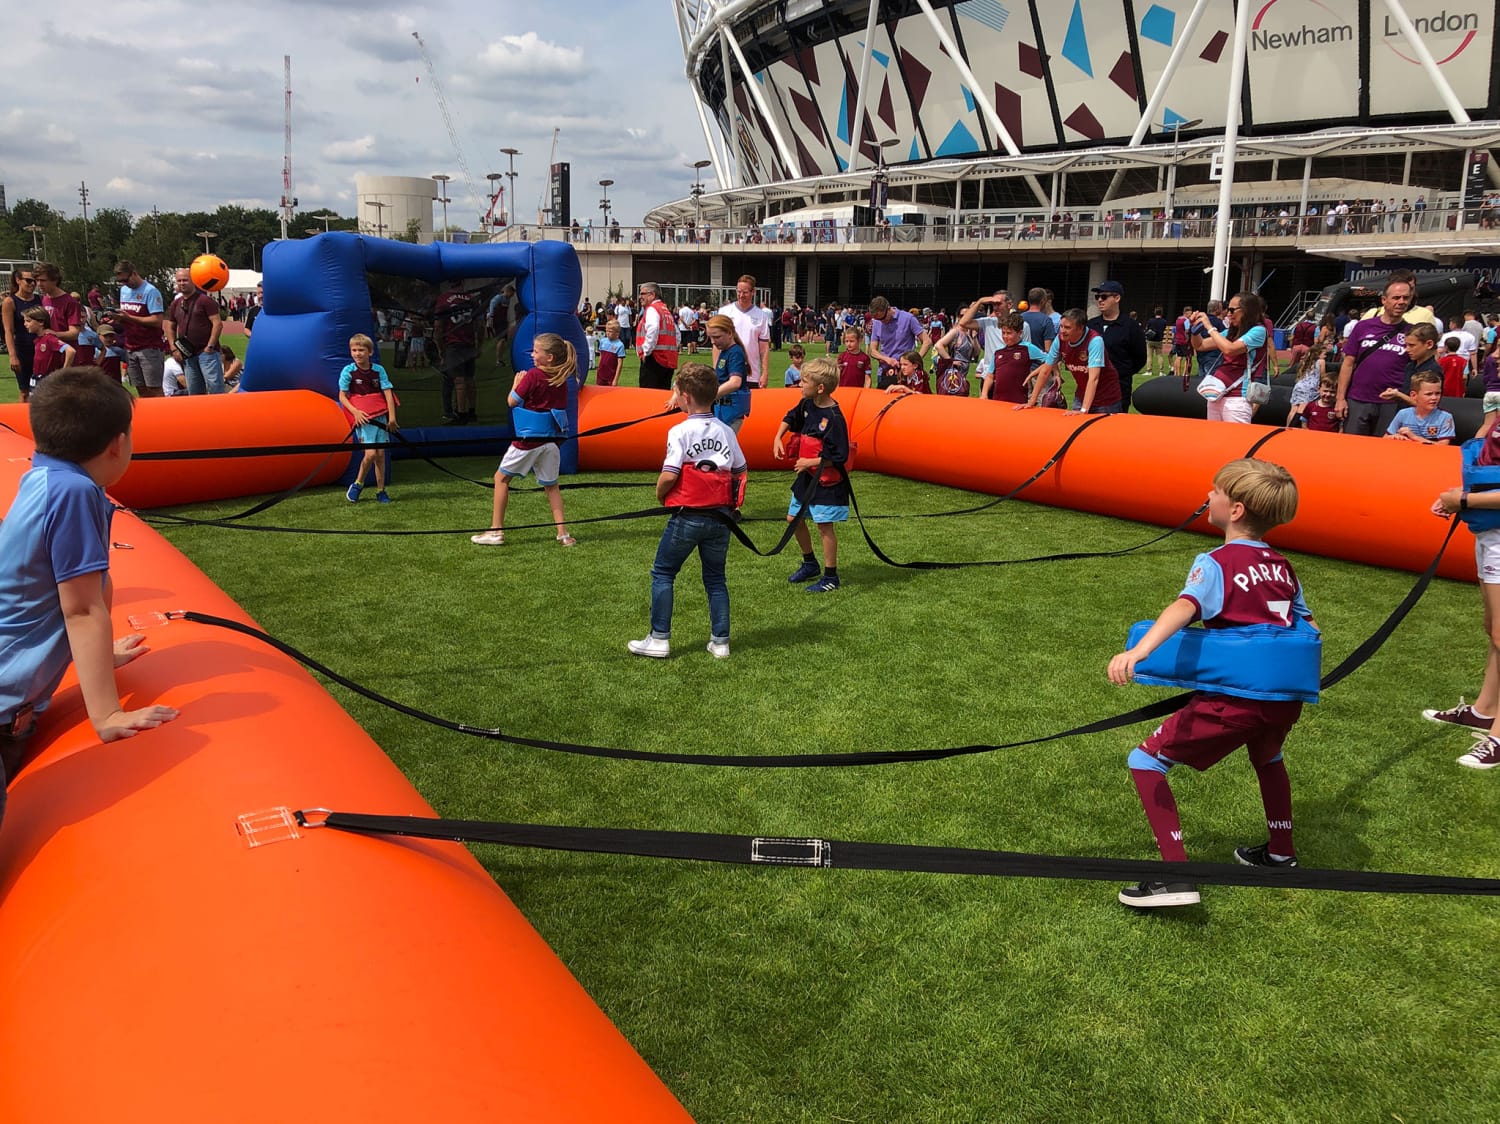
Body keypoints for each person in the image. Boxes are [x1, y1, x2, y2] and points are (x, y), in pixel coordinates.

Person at [1109, 458, 1316, 908]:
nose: (1208, 495)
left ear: (1235, 509)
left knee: (1145, 761)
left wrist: (1139, 651)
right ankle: (1280, 854)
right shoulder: (1283, 566)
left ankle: (1176, 877)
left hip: (1236, 698)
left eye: (1216, 491)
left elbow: (1185, 607)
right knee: (1268, 756)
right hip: (1283, 699)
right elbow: (1308, 625)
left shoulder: (1216, 562)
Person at [0, 367, 180, 832]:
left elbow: (94, 586)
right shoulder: (74, 492)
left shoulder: (47, 474)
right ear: (118, 444)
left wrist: (105, 653)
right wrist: (107, 713)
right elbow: (80, 608)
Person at [627, 363, 747, 660]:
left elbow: (669, 474)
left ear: (686, 397)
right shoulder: (726, 430)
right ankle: (721, 641)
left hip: (687, 515)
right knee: (716, 579)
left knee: (663, 572)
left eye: (677, 392)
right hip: (720, 517)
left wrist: (660, 494)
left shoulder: (679, 431)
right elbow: (740, 468)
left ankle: (659, 638)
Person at [1424, 415, 1500, 768]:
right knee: (1493, 629)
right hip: (1489, 531)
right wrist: (1459, 495)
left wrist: (1465, 500)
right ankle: (1484, 710)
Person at [470, 333, 577, 548]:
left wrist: (515, 384)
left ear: (549, 357)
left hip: (528, 441)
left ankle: (496, 531)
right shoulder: (561, 380)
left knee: (500, 479)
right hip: (551, 442)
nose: (532, 354)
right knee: (552, 486)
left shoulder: (534, 375)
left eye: (536, 351)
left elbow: (511, 401)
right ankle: (563, 534)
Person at [774, 356, 849, 594]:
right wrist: (778, 436)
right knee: (793, 519)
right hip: (807, 479)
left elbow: (840, 455)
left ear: (820, 388)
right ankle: (809, 563)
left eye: (804, 381)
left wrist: (811, 462)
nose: (799, 384)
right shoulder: (807, 404)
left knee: (824, 526)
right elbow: (791, 416)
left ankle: (831, 576)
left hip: (826, 483)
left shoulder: (834, 418)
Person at [1335, 270, 1415, 436]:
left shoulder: (1412, 332)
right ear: (1384, 300)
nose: (1401, 302)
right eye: (1396, 297)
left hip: (1392, 403)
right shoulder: (1363, 327)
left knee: (1385, 449)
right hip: (1358, 399)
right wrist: (1340, 399)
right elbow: (1348, 364)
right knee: (1353, 447)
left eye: (1405, 298)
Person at [1019, 308, 1123, 415]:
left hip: (1106, 399)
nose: (1062, 331)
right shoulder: (1059, 339)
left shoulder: (1095, 341)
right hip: (1082, 394)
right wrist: (1031, 401)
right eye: (1061, 326)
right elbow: (1046, 370)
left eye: (1067, 327)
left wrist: (1083, 410)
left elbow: (1094, 378)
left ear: (1080, 328)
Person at [1191, 292, 1269, 424]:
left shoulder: (1259, 331)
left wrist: (1210, 327)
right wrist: (1195, 330)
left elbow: (1230, 349)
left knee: (1236, 437)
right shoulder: (1231, 332)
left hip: (1238, 397)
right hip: (1217, 394)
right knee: (1213, 435)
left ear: (1247, 311)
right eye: (1228, 310)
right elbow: (1200, 345)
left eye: (1232, 310)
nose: (1228, 314)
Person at [339, 334, 399, 503]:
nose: (357, 353)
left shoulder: (378, 370)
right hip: (364, 418)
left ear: (370, 352)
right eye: (354, 350)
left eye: (361, 350)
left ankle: (381, 491)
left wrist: (392, 417)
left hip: (379, 417)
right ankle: (358, 483)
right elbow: (342, 395)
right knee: (370, 453)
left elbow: (388, 393)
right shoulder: (348, 371)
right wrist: (355, 412)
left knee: (380, 455)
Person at [1086, 281, 1148, 410]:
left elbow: (1140, 358)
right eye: (1098, 297)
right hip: (1090, 387)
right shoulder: (1091, 325)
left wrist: (1121, 373)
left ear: (1117, 298)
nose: (1100, 300)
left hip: (1119, 389)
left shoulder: (1131, 327)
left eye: (1104, 296)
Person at [163, 266, 225, 395]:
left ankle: (219, 408)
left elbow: (217, 324)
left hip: (207, 352)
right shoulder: (176, 304)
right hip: (188, 353)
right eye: (179, 281)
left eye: (185, 280)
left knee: (215, 388)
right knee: (194, 390)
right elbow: (170, 326)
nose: (182, 283)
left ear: (193, 281)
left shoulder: (205, 301)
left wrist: (210, 346)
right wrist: (173, 348)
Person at [432, 280, 483, 424]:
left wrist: (440, 349)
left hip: (453, 344)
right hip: (469, 343)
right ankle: (472, 412)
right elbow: (480, 325)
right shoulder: (471, 299)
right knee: (470, 379)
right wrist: (479, 344)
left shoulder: (443, 300)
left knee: (459, 382)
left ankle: (461, 414)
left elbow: (438, 327)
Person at [981, 313, 1050, 404]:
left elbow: (1050, 361)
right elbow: (990, 376)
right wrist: (984, 394)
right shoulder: (998, 352)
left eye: (1009, 333)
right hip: (998, 400)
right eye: (1003, 333)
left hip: (1018, 401)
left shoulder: (1027, 348)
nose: (1005, 336)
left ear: (1020, 333)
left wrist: (1034, 373)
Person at [717, 275, 771, 388]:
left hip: (751, 374)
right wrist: (716, 369)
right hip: (727, 372)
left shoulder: (761, 316)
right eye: (739, 291)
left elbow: (764, 347)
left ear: (753, 292)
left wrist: (765, 372)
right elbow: (716, 344)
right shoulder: (724, 312)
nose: (741, 295)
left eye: (745, 292)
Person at [867, 296, 929, 388]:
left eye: (882, 318)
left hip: (905, 372)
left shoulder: (908, 318)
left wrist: (914, 362)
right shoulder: (877, 322)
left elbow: (927, 341)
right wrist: (886, 359)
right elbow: (872, 350)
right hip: (884, 372)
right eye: (877, 319)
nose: (881, 322)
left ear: (889, 309)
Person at [702, 313, 750, 433]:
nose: (713, 342)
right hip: (722, 409)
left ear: (729, 333)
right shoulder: (724, 352)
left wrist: (710, 396)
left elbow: (735, 382)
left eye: (717, 337)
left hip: (731, 411)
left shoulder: (735, 353)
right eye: (710, 337)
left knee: (723, 443)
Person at [2, 266, 43, 401]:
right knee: (25, 390)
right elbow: (8, 331)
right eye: (28, 280)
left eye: (34, 281)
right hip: (23, 349)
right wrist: (12, 356)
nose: (32, 284)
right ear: (18, 280)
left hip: (40, 348)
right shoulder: (10, 301)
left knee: (43, 388)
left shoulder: (40, 299)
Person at [1380, 371, 1454, 444]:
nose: (1434, 398)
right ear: (1413, 395)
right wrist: (1394, 437)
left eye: (1437, 393)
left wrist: (1414, 437)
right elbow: (1385, 438)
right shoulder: (1403, 414)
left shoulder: (1445, 417)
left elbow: (1444, 446)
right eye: (1429, 394)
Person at [635, 282, 680, 391]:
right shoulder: (665, 310)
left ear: (652, 295)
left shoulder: (652, 309)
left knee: (648, 395)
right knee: (662, 394)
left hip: (654, 359)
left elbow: (653, 329)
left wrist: (646, 351)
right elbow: (677, 335)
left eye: (643, 293)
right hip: (667, 360)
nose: (640, 297)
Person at [23, 306, 72, 388]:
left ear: (41, 322)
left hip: (47, 378)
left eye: (28, 321)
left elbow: (70, 351)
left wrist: (64, 371)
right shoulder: (38, 339)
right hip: (36, 377)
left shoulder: (49, 339)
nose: (25, 324)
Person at [932, 321, 978, 396]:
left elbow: (976, 353)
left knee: (961, 392)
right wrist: (950, 361)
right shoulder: (955, 332)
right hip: (953, 370)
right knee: (952, 391)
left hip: (964, 371)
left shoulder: (968, 334)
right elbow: (938, 346)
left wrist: (974, 338)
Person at [596, 320, 626, 387]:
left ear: (617, 333)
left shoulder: (620, 345)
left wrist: (616, 379)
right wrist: (598, 368)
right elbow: (601, 356)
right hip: (601, 373)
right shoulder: (602, 341)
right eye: (606, 331)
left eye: (610, 331)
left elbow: (620, 364)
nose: (607, 333)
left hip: (611, 375)